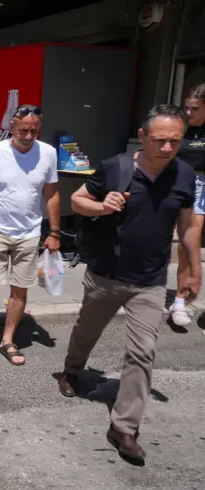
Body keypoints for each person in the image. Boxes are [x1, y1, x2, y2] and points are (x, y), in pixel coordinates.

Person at [57, 105, 200, 466]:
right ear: (143, 135)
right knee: (87, 330)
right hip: (107, 272)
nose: (167, 148)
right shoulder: (116, 167)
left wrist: (192, 271)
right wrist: (103, 206)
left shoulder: (184, 174)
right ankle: (73, 369)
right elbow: (78, 200)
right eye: (160, 140)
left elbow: (187, 227)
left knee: (142, 352)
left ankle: (124, 428)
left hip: (150, 280)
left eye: (175, 141)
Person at [0, 105, 61, 366]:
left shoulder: (48, 153)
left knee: (20, 287)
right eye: (23, 130)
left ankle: (7, 340)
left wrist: (54, 232)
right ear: (12, 128)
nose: (29, 136)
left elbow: (51, 194)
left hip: (29, 231)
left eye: (34, 131)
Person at [169, 83, 205, 326]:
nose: (189, 112)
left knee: (188, 245)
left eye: (195, 108)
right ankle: (177, 300)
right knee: (180, 245)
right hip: (179, 187)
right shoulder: (179, 129)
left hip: (201, 188)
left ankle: (183, 298)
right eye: (187, 107)